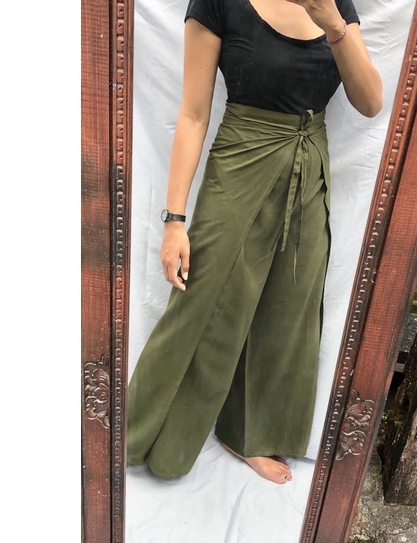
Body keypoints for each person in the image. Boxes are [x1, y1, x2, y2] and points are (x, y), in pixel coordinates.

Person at [126, 0, 383, 485]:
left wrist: (332, 22)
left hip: (309, 173)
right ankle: (138, 434)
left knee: (287, 308)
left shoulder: (334, 5)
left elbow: (370, 102)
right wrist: (174, 221)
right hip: (240, 162)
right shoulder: (218, 3)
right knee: (203, 302)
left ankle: (249, 436)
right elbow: (193, 115)